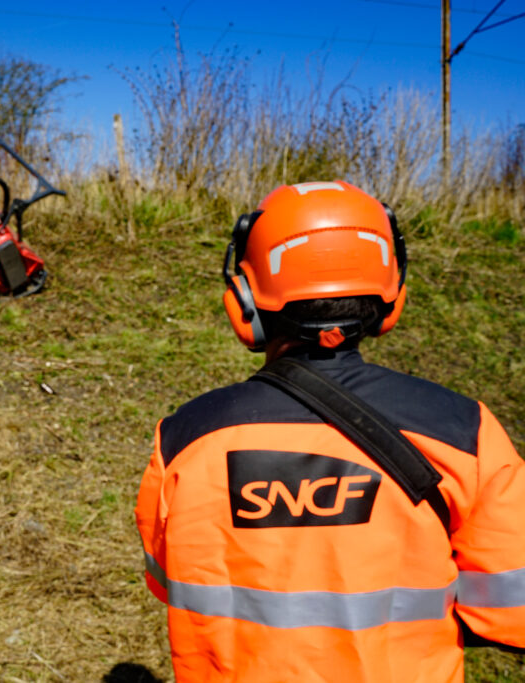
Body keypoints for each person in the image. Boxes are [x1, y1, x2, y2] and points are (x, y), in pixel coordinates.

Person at [134, 180, 525, 682]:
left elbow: (166, 582)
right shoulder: (464, 431)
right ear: (392, 297)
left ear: (244, 303)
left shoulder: (184, 439)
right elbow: (510, 612)